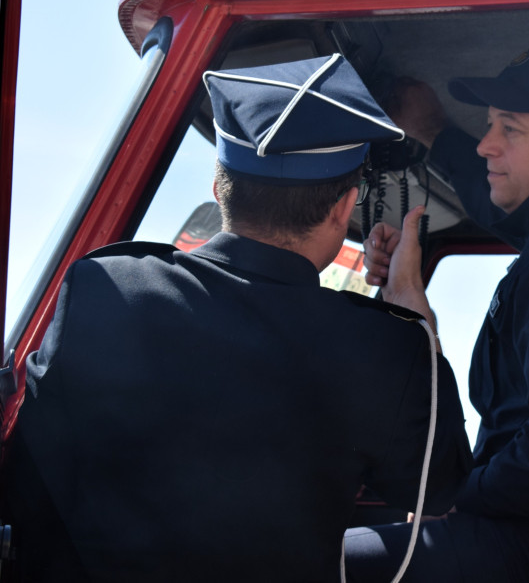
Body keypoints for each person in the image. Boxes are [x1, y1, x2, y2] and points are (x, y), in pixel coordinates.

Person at [2, 54, 471, 582]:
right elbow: (441, 488)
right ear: (345, 207)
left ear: (218, 186)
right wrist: (410, 305)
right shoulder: (384, 347)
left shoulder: (104, 288)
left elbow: (28, 469)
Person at [344, 43, 529, 582]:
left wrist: (459, 497)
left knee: (307, 562)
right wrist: (434, 133)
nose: (487, 146)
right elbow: (491, 197)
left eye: (509, 129)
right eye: (489, 125)